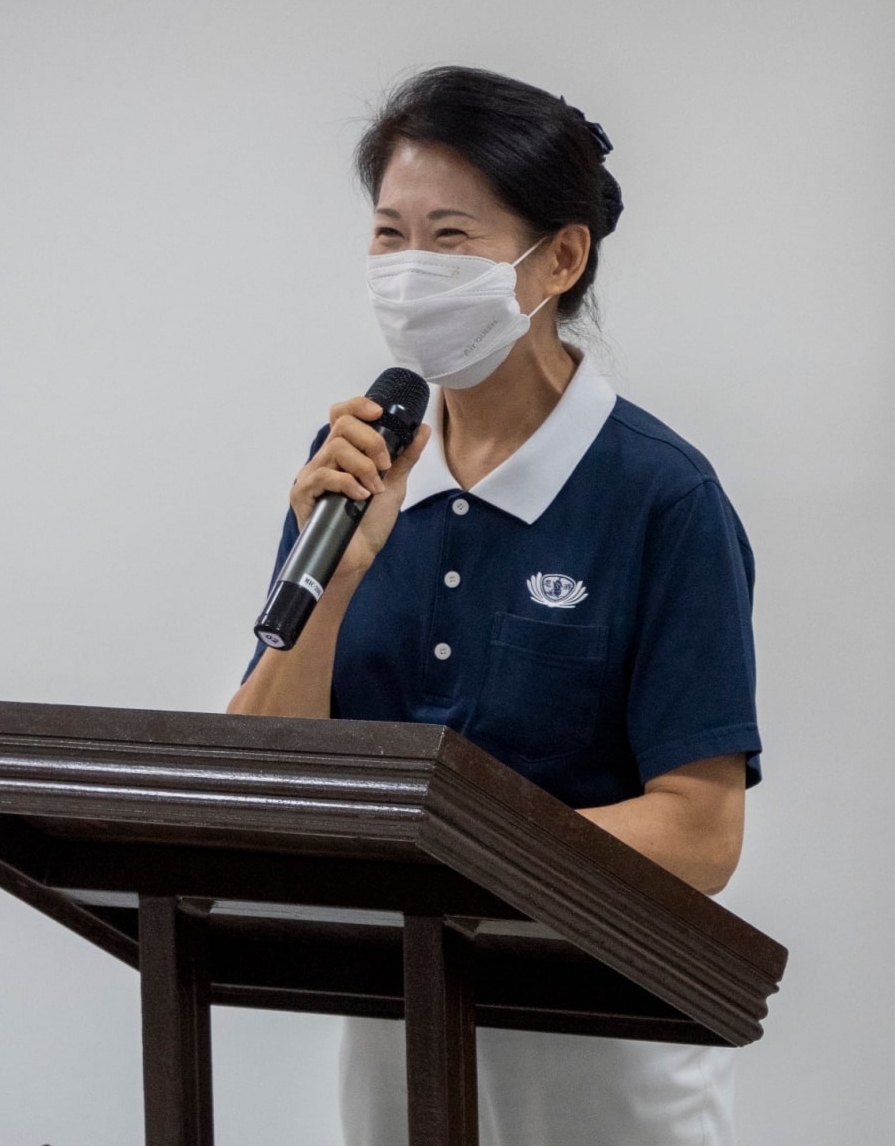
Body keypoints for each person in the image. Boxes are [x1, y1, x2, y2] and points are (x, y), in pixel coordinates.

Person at [229, 65, 761, 1146]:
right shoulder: (355, 469)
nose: (409, 269)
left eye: (450, 236)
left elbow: (699, 830)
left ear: (557, 258)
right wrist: (337, 574)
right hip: (394, 1017)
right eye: (388, 234)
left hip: (596, 1042)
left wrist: (451, 848)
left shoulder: (660, 497)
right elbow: (259, 768)